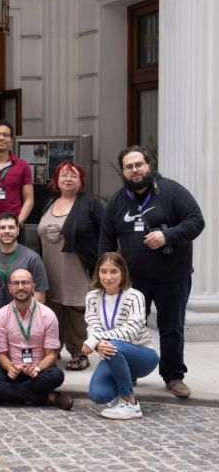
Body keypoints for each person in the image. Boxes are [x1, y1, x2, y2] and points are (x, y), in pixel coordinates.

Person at [98, 145, 204, 399]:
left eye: (138, 165)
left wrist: (167, 236)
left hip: (173, 277)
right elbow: (106, 239)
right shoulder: (117, 200)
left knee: (172, 328)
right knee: (131, 327)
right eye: (128, 167)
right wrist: (104, 274)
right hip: (134, 279)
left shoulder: (172, 191)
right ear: (122, 171)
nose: (134, 170)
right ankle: (129, 372)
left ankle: (173, 376)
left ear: (149, 165)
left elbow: (196, 221)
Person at [38, 161, 103, 372]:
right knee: (50, 311)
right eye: (63, 175)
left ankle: (79, 352)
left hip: (78, 268)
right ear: (56, 180)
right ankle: (52, 351)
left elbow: (106, 236)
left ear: (81, 181)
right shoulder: (49, 202)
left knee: (77, 311)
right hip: (49, 269)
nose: (68, 179)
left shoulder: (90, 204)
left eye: (73, 176)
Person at [0, 269, 72, 410]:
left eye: (25, 282)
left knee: (57, 375)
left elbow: (52, 355)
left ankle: (6, 394)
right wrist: (9, 367)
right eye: (15, 283)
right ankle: (50, 397)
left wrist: (37, 368)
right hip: (13, 371)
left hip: (39, 371)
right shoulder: (1, 315)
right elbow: (0, 354)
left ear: (33, 286)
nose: (20, 287)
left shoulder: (48, 315)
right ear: (9, 288)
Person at [84, 253, 158, 420]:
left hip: (142, 355)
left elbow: (130, 331)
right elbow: (93, 327)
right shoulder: (92, 297)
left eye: (114, 272)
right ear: (98, 273)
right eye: (103, 271)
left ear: (123, 273)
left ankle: (130, 403)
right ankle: (119, 389)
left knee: (114, 345)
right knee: (99, 395)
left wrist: (96, 340)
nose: (108, 277)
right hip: (112, 356)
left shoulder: (134, 296)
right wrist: (96, 343)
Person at [0, 212, 49, 372]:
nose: (7, 231)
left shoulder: (32, 258)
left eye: (11, 227)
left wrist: (21, 320)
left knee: (31, 361)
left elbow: (40, 295)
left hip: (27, 320)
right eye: (2, 227)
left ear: (18, 229)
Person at [0, 120, 34, 246]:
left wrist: (17, 224)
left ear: (11, 141)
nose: (1, 138)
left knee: (17, 264)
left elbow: (29, 199)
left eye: (6, 135)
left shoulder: (23, 165)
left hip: (14, 228)